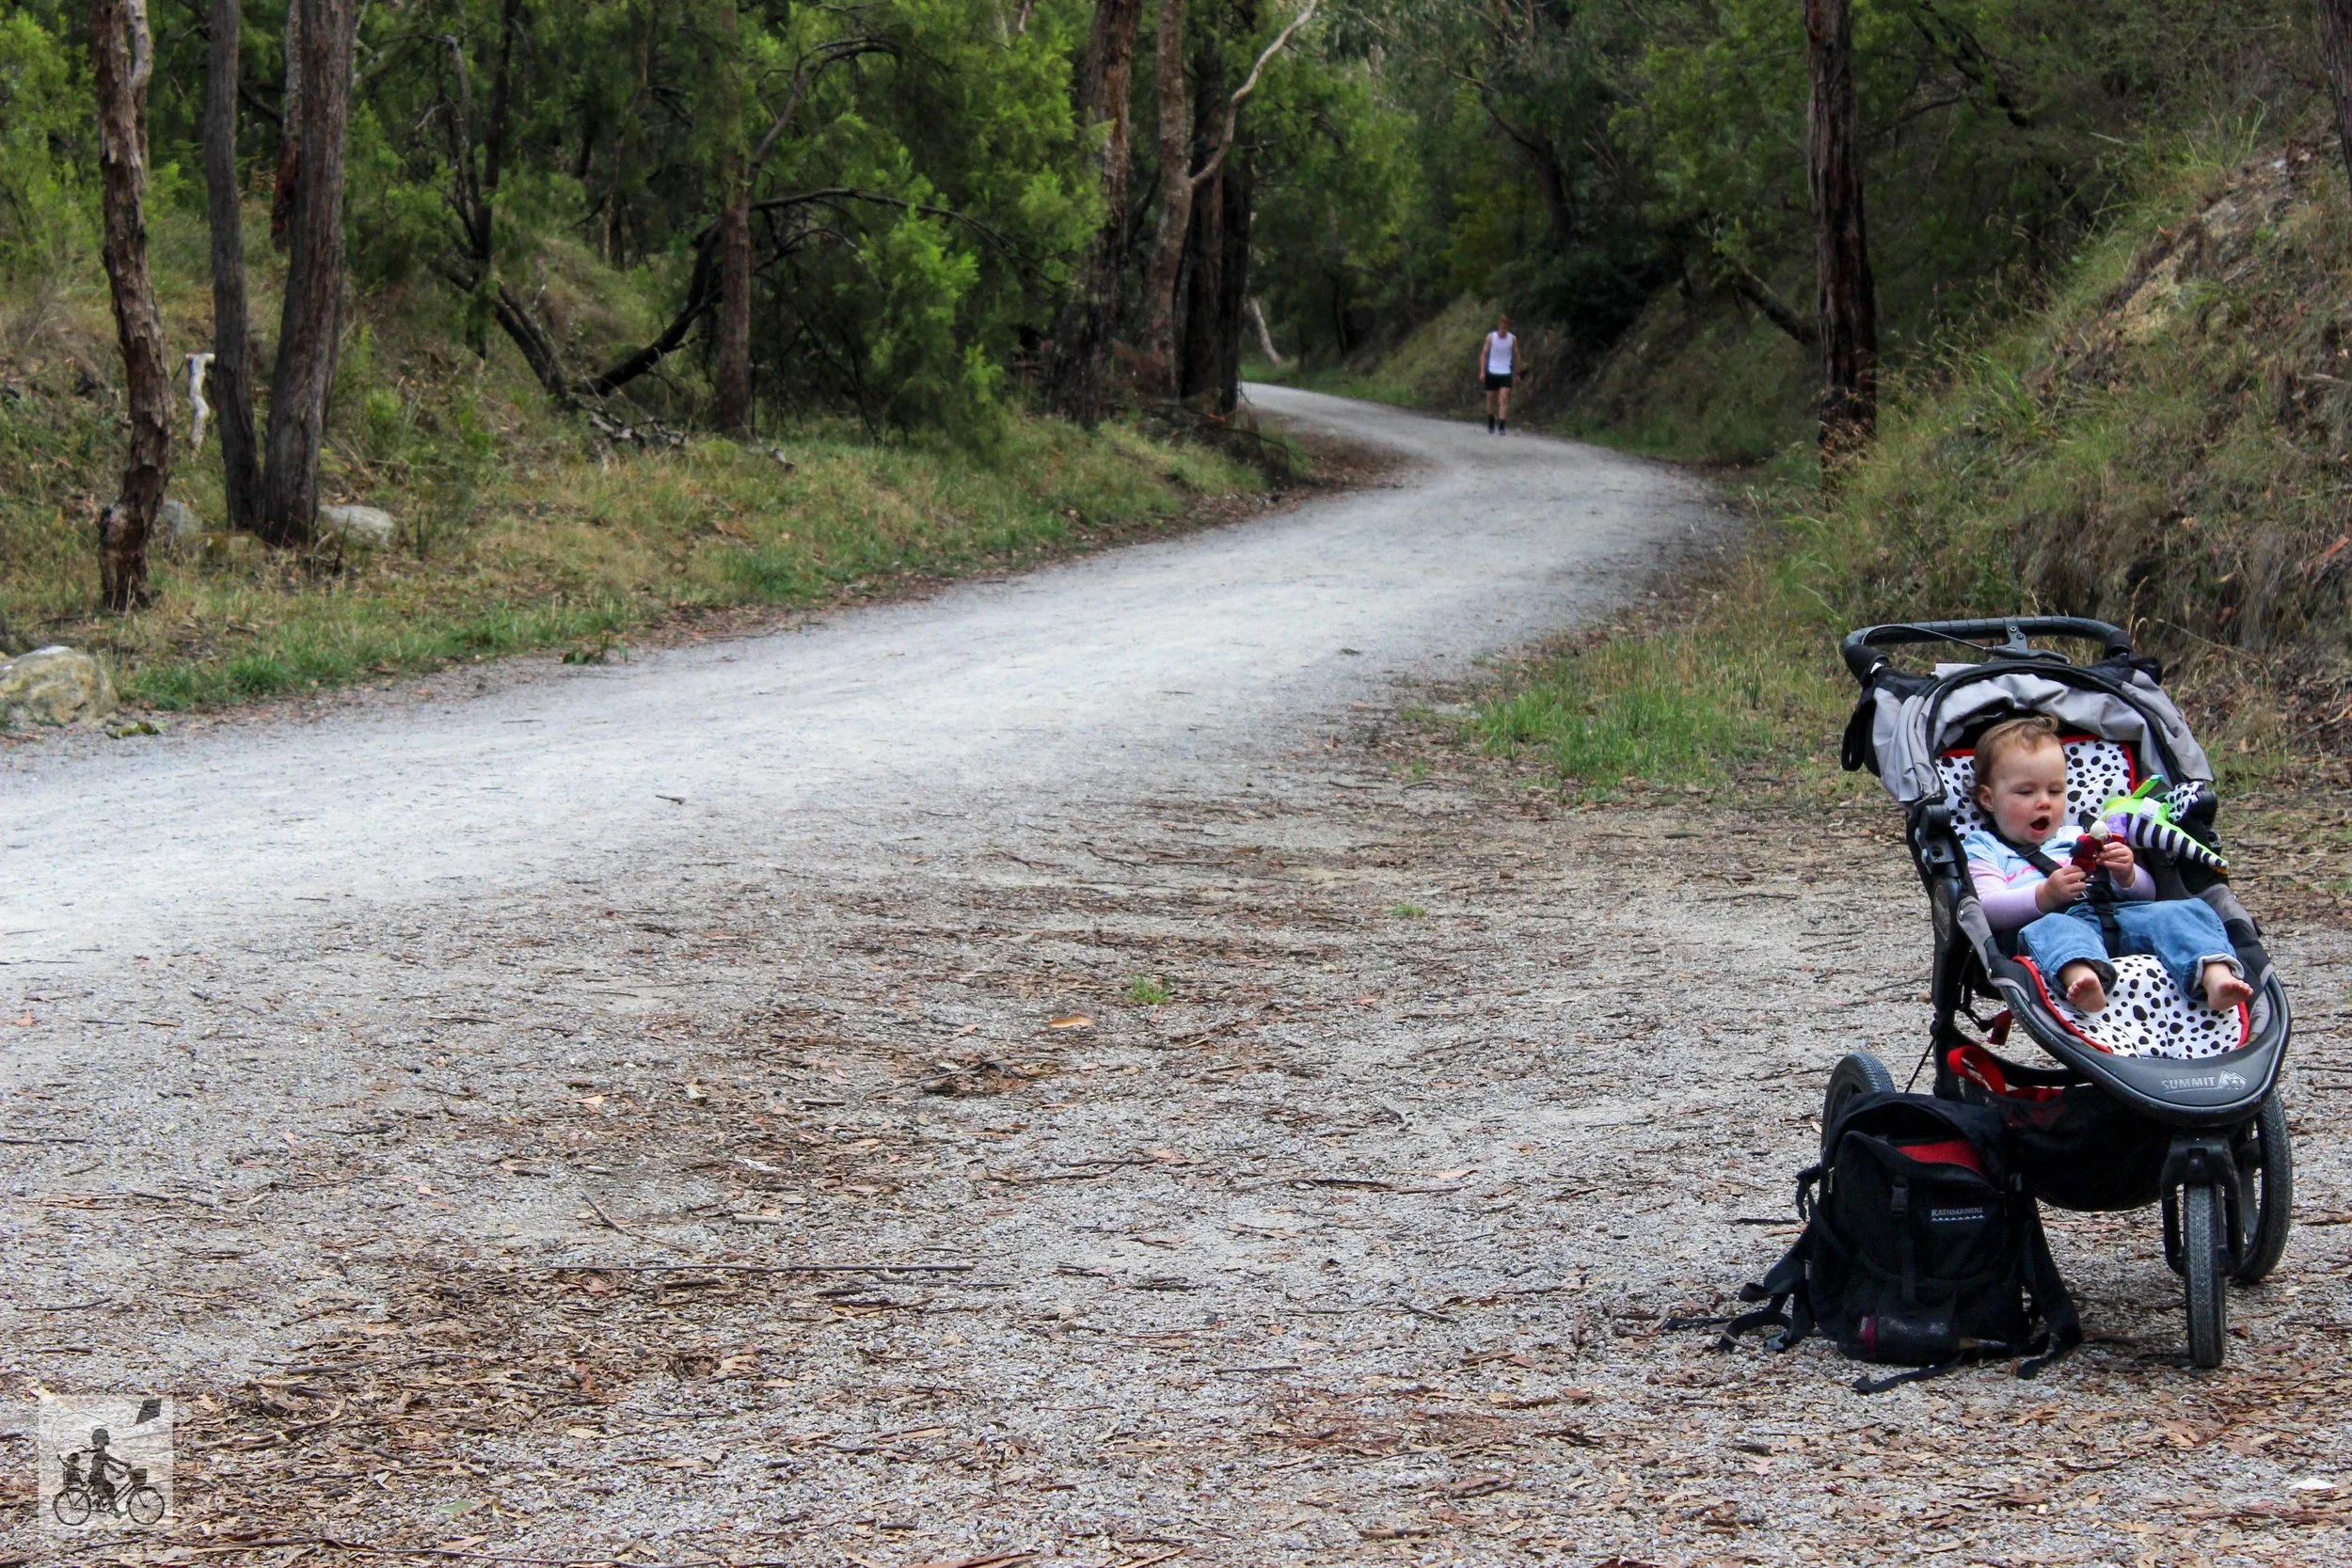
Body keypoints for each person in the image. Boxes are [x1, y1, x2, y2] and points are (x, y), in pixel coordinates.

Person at [1962, 715, 2251, 1016]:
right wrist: (2044, 895)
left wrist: (2126, 874)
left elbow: (2147, 895)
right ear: (1989, 798)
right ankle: (2083, 979)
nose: (2044, 802)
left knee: (2182, 911)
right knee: (2051, 930)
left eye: (2055, 791)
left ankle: (2215, 975)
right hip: (2052, 924)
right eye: (2026, 792)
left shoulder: (2079, 833)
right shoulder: (1985, 846)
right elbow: (1987, 908)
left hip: (2118, 917)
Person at [1479, 314, 1518, 434]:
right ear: (1499, 325)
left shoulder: (1512, 339)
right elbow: (1484, 354)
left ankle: (1501, 425)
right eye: (1502, 326)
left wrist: (1517, 373)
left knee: (1504, 398)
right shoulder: (1491, 337)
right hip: (1492, 370)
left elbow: (1516, 355)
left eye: (1506, 326)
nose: (1504, 328)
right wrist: (1482, 371)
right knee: (1490, 398)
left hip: (1505, 371)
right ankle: (1491, 420)